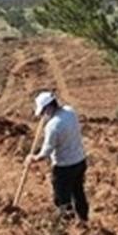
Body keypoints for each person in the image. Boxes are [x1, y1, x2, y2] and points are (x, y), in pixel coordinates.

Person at [28, 90, 89, 222]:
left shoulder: (52, 126)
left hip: (64, 167)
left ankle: (68, 223)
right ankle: (84, 219)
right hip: (80, 161)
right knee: (78, 192)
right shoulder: (70, 111)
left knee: (62, 198)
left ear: (49, 107)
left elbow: (47, 151)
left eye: (44, 111)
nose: (44, 115)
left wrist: (34, 158)